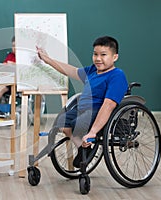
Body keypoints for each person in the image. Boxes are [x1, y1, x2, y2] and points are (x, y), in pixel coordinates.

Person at [37, 36, 128, 168]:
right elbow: (71, 71)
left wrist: (93, 132)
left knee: (77, 124)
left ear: (115, 57)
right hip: (82, 109)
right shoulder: (92, 71)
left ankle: (85, 145)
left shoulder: (117, 75)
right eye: (95, 54)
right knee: (61, 122)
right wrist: (47, 60)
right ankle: (83, 148)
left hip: (99, 110)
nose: (98, 58)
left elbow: (108, 105)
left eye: (103, 55)